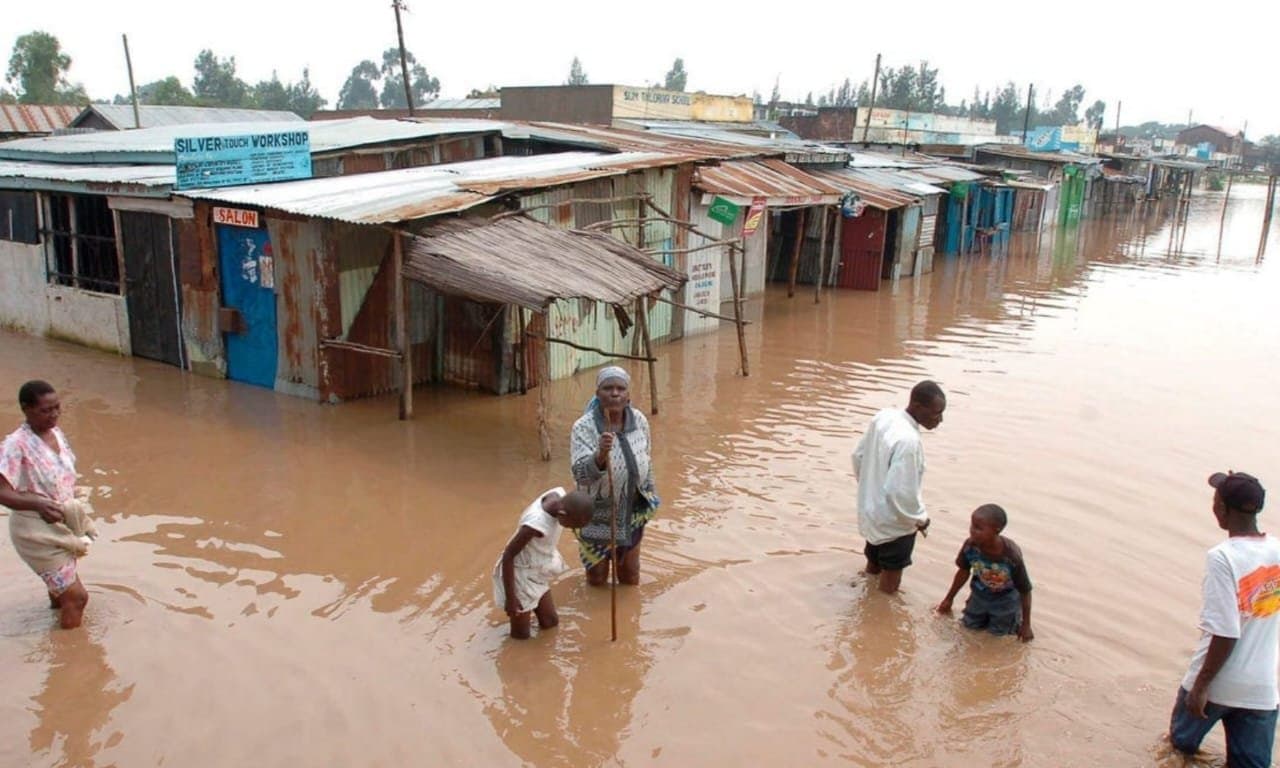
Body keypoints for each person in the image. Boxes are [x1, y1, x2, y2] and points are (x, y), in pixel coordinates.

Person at [1169, 471, 1279, 768]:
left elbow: (1226, 631)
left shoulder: (1222, 557)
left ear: (1221, 510)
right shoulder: (1278, 550)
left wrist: (1201, 686)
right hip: (1262, 691)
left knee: (1179, 749)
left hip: (1217, 682)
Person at [0, 381, 93, 629]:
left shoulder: (56, 434)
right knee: (77, 597)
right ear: (26, 409)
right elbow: (2, 491)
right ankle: (70, 657)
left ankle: (56, 620)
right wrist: (37, 503)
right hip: (35, 532)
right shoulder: (15, 445)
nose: (53, 415)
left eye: (57, 409)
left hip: (59, 524)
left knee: (62, 593)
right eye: (45, 410)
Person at [852, 380, 946, 594]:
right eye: (935, 413)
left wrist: (870, 490)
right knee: (889, 585)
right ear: (917, 406)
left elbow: (858, 456)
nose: (939, 420)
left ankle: (865, 598)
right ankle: (878, 620)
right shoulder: (909, 441)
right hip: (895, 525)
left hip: (872, 512)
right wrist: (920, 519)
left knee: (873, 564)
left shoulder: (884, 417)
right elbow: (900, 491)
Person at [571, 366, 659, 587]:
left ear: (628, 394)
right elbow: (581, 475)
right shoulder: (583, 427)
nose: (615, 393)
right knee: (597, 577)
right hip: (596, 513)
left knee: (630, 574)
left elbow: (647, 460)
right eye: (608, 388)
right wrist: (600, 455)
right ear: (597, 393)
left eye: (621, 388)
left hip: (632, 510)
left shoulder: (639, 421)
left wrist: (649, 497)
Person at [493, 488, 594, 639]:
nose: (572, 530)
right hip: (519, 575)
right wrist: (511, 599)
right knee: (521, 636)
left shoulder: (559, 494)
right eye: (572, 526)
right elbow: (508, 556)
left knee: (550, 622)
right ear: (562, 515)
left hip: (537, 569)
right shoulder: (535, 525)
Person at [936, 504, 1034, 641]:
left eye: (979, 528)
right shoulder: (970, 546)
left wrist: (1026, 624)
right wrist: (948, 599)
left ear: (996, 530)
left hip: (1006, 602)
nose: (972, 531)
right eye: (972, 526)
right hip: (979, 595)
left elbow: (1025, 590)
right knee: (968, 629)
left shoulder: (1011, 556)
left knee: (998, 637)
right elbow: (963, 572)